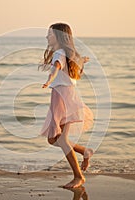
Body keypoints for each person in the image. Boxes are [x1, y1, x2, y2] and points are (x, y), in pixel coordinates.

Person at [39, 23, 94, 188]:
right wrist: (82, 60)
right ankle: (84, 151)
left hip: (62, 99)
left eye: (50, 34)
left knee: (62, 140)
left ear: (59, 37)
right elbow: (66, 66)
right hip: (65, 97)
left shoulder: (59, 53)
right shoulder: (66, 54)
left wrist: (49, 80)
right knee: (52, 139)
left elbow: (56, 68)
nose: (47, 37)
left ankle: (79, 177)